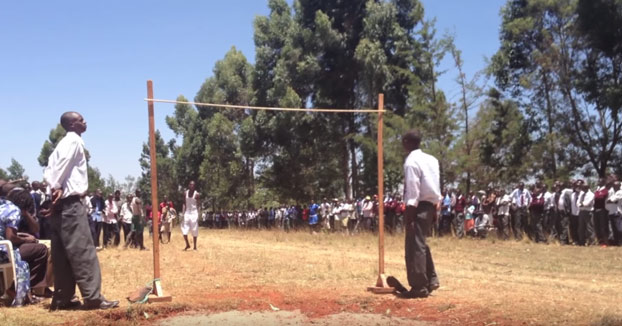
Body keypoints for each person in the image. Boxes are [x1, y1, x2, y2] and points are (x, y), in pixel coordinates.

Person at [43, 111, 118, 310]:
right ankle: (93, 298)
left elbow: (49, 170)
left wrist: (51, 192)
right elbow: (60, 168)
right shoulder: (74, 142)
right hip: (70, 203)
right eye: (81, 120)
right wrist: (57, 187)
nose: (85, 122)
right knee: (82, 251)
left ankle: (63, 298)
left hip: (59, 205)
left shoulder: (59, 145)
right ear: (72, 125)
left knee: (61, 254)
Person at [397, 130, 441, 298]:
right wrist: (436, 207)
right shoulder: (432, 159)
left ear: (407, 142)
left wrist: (409, 216)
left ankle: (418, 287)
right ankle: (431, 279)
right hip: (430, 205)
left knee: (414, 246)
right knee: (421, 243)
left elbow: (413, 192)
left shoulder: (411, 162)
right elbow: (435, 186)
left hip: (418, 206)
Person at [0, 188, 48, 306]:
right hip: (4, 251)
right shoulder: (12, 210)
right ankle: (19, 289)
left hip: (4, 244)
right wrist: (26, 239)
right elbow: (10, 237)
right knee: (41, 250)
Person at [181, 181, 200, 251]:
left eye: (193, 185)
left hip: (194, 212)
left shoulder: (197, 194)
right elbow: (184, 203)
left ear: (194, 186)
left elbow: (198, 205)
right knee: (184, 229)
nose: (192, 186)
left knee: (194, 229)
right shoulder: (185, 193)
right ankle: (187, 244)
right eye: (191, 185)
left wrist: (198, 215)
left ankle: (195, 246)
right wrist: (183, 213)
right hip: (187, 212)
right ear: (189, 185)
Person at [576, 181, 594, 246]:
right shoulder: (581, 194)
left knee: (589, 228)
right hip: (581, 212)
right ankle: (582, 242)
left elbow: (586, 203)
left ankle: (591, 242)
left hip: (588, 212)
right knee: (581, 228)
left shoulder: (591, 194)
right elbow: (577, 203)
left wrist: (581, 204)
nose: (582, 189)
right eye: (582, 187)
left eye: (584, 187)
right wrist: (581, 204)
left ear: (588, 187)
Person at [593, 177, 609, 246]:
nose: (598, 182)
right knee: (597, 226)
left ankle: (605, 242)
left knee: (603, 226)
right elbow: (596, 197)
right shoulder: (597, 190)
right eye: (598, 181)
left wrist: (598, 196)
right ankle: (600, 241)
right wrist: (598, 195)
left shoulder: (605, 190)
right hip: (595, 210)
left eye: (600, 181)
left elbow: (601, 197)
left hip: (602, 210)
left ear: (603, 182)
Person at [606, 181, 622, 245]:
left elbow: (611, 200)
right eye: (614, 185)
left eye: (616, 185)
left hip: (617, 212)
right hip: (611, 212)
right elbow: (608, 201)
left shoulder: (620, 192)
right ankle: (616, 242)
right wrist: (611, 201)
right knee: (613, 229)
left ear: (619, 186)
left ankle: (620, 241)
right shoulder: (612, 192)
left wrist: (611, 201)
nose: (615, 186)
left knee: (619, 229)